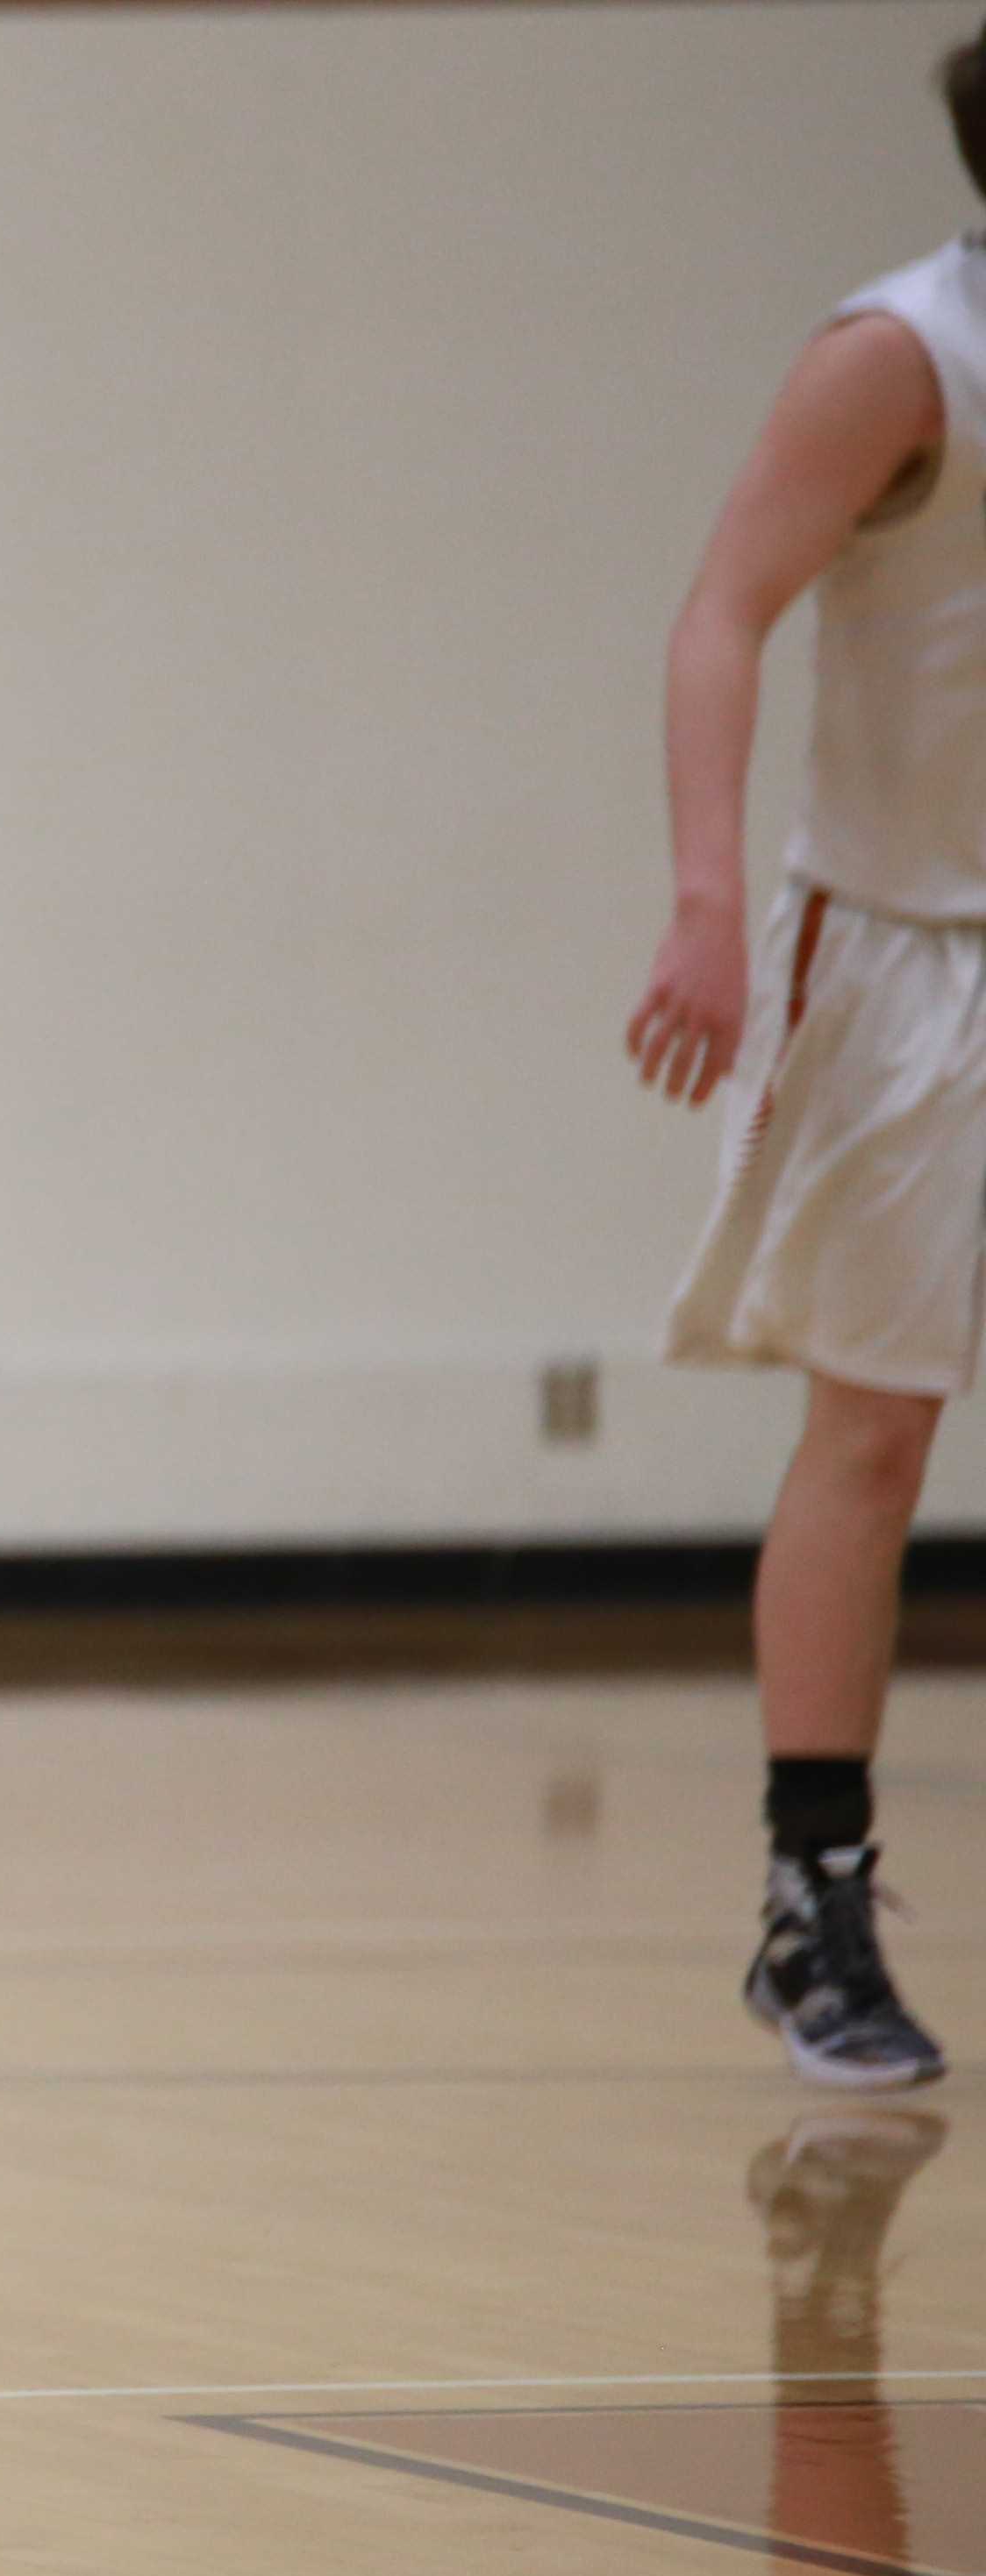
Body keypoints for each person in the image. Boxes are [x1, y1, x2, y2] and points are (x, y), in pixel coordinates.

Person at [636, 19, 986, 2092]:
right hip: (915, 957)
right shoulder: (899, 355)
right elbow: (720, 610)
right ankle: (812, 1896)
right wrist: (702, 903)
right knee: (875, 1436)